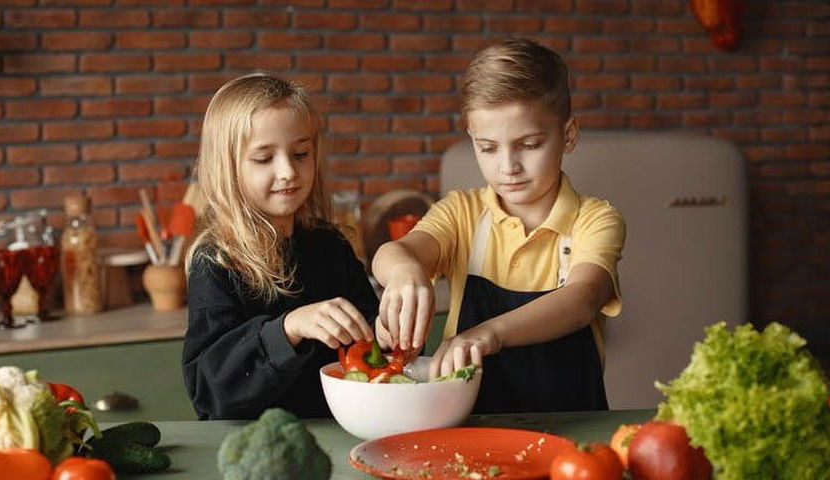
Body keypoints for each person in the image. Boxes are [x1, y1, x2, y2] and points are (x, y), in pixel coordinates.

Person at [372, 38, 625, 413]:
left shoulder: (595, 219)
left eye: (530, 144)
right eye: (488, 148)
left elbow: (581, 299)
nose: (508, 167)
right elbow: (394, 252)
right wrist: (406, 273)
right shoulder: (462, 213)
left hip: (574, 431)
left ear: (568, 135)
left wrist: (488, 334)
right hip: (470, 426)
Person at [183, 74, 378, 420]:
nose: (288, 171)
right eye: (263, 158)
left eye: (300, 153)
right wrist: (289, 328)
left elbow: (373, 348)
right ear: (228, 168)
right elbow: (210, 391)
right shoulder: (215, 261)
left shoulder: (331, 246)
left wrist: (395, 326)